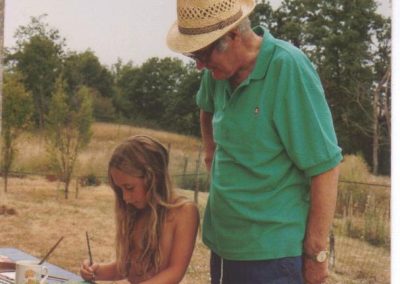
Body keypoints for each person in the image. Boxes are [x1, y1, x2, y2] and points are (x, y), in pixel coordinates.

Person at [166, 0, 342, 283]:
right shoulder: (217, 74)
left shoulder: (287, 68)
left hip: (272, 257)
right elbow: (206, 108)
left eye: (202, 53)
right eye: (192, 55)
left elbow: (325, 167)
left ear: (233, 35)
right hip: (224, 247)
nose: (199, 65)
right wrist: (210, 154)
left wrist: (316, 253)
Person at [80, 135, 199, 284]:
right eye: (120, 189)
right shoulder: (138, 209)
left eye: (129, 188)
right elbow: (129, 267)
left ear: (153, 178)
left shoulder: (184, 212)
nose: (125, 198)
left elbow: (175, 272)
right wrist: (96, 271)